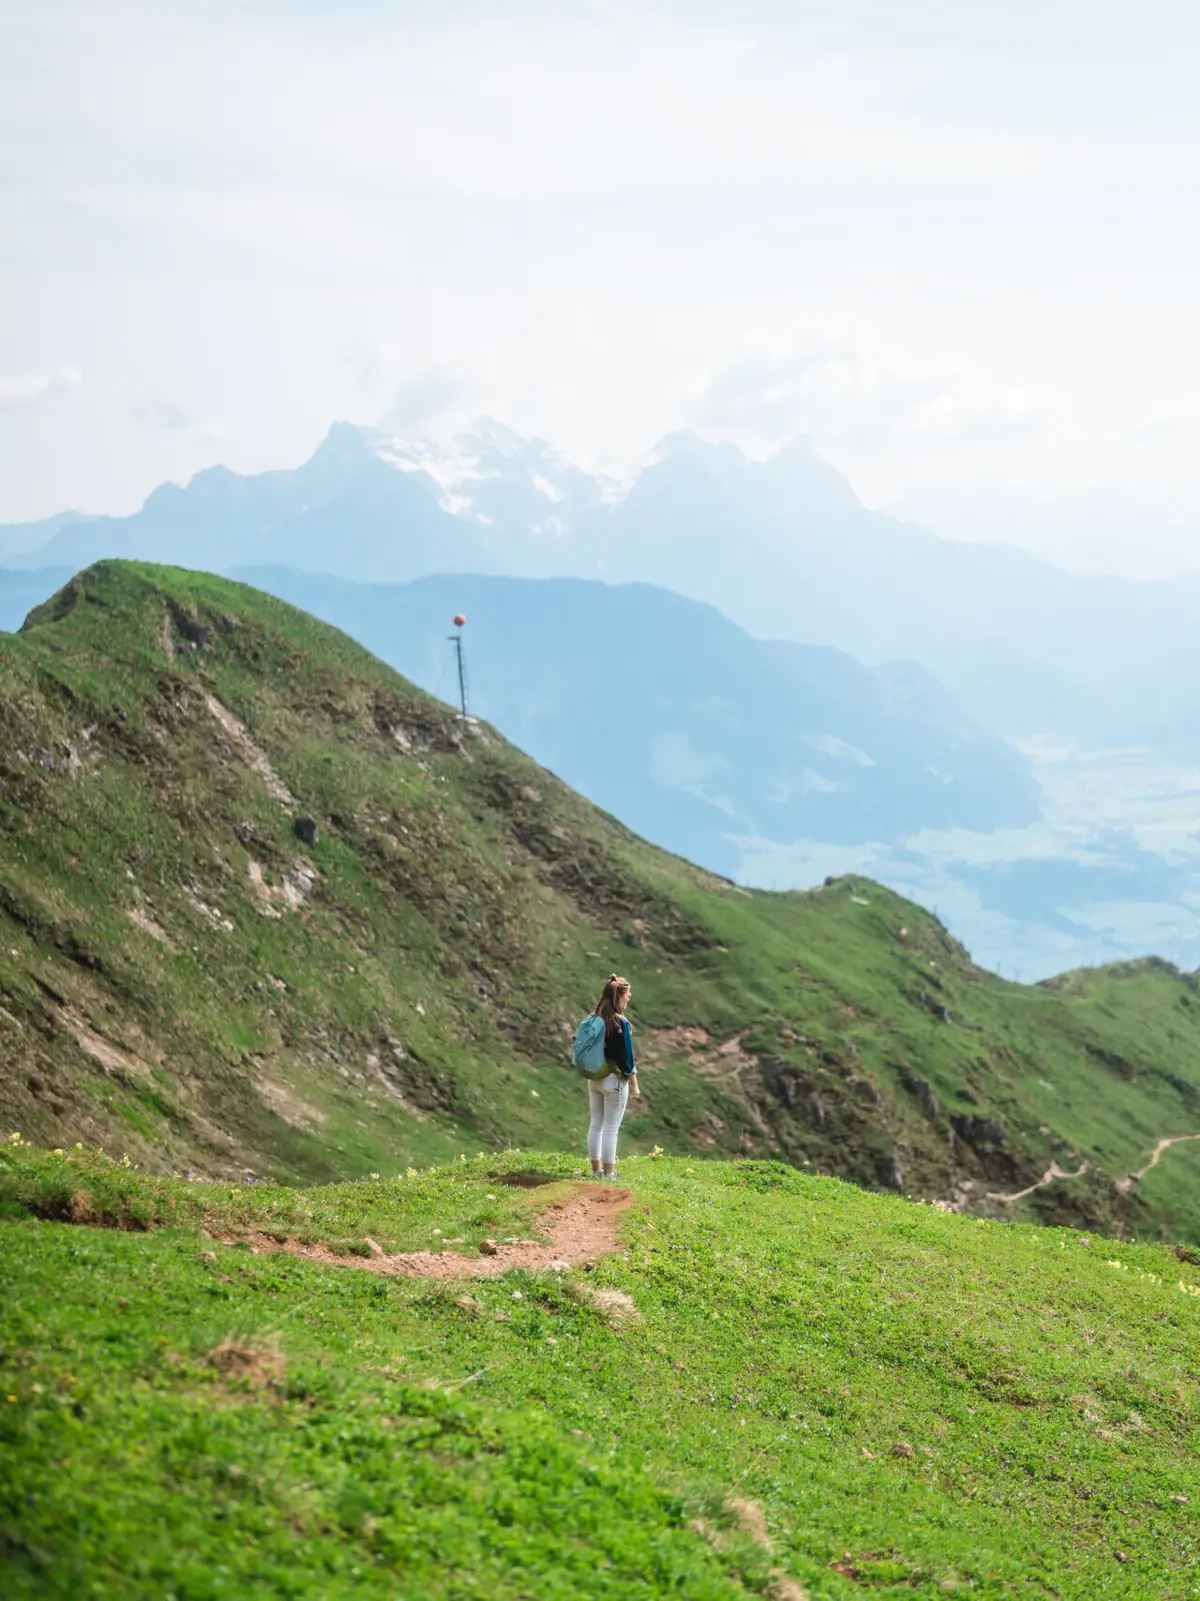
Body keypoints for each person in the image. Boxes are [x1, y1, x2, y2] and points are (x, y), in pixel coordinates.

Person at [587, 973, 639, 1181]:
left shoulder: (595, 1020)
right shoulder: (621, 1023)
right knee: (611, 1128)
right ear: (620, 996)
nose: (630, 997)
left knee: (596, 1123)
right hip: (614, 1082)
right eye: (628, 994)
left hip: (594, 1079)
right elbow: (627, 1059)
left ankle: (595, 1170)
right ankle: (609, 1174)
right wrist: (635, 1084)